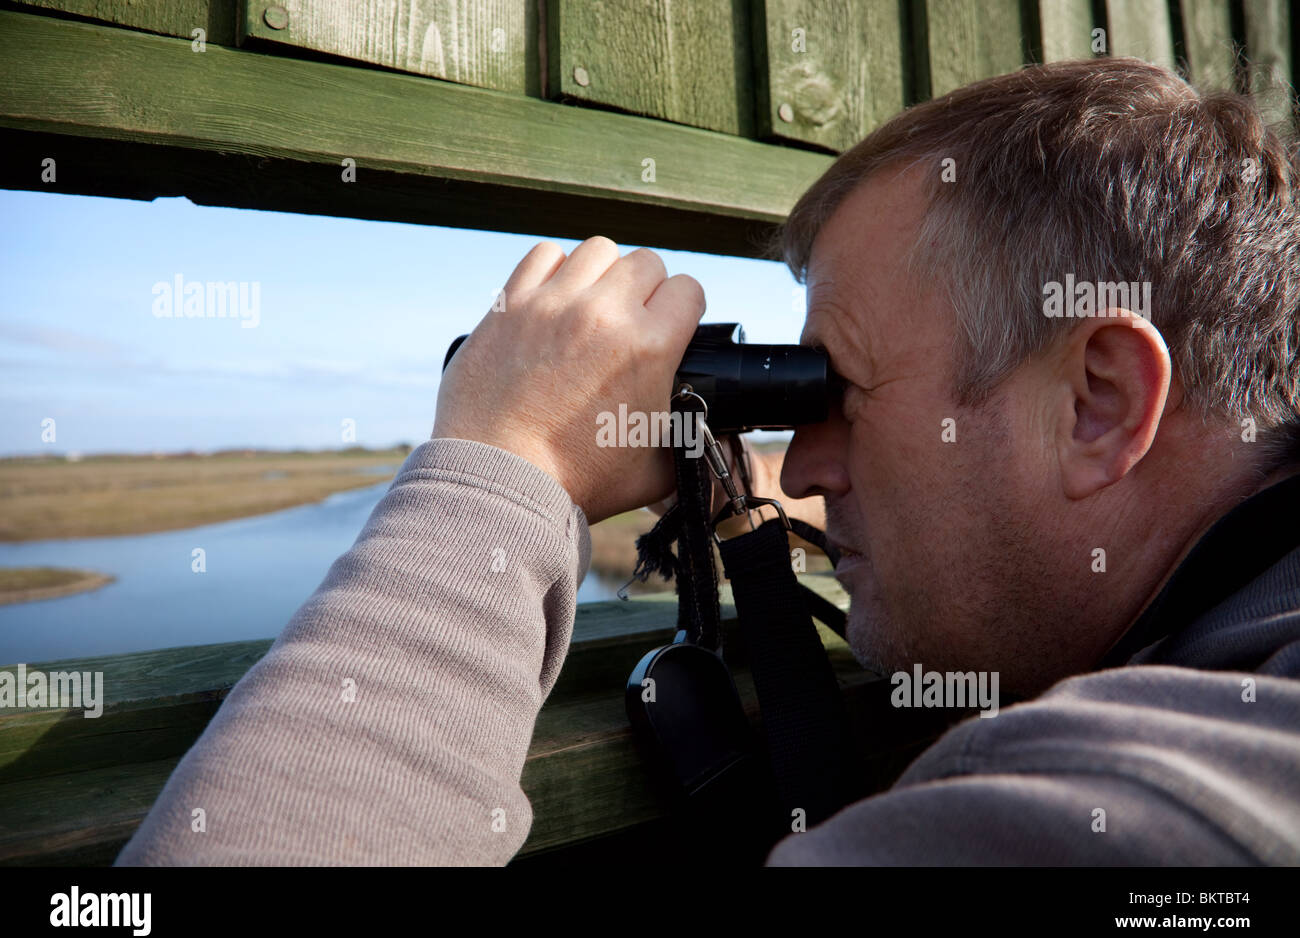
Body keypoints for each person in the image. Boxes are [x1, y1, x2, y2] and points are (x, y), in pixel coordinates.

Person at [116, 57, 1300, 866]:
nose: (810, 463)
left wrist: (502, 457)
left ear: (1096, 404)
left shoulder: (1135, 812)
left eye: (837, 388)